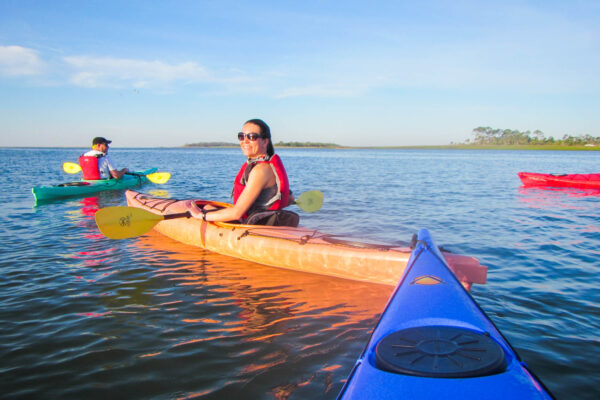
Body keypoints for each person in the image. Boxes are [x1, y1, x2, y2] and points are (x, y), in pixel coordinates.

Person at [187, 119, 296, 225]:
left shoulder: (261, 170)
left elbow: (237, 213)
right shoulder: (267, 166)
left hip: (254, 226)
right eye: (241, 136)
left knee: (206, 210)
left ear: (265, 141)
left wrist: (201, 215)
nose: (245, 141)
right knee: (208, 207)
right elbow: (290, 198)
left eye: (252, 137)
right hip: (260, 220)